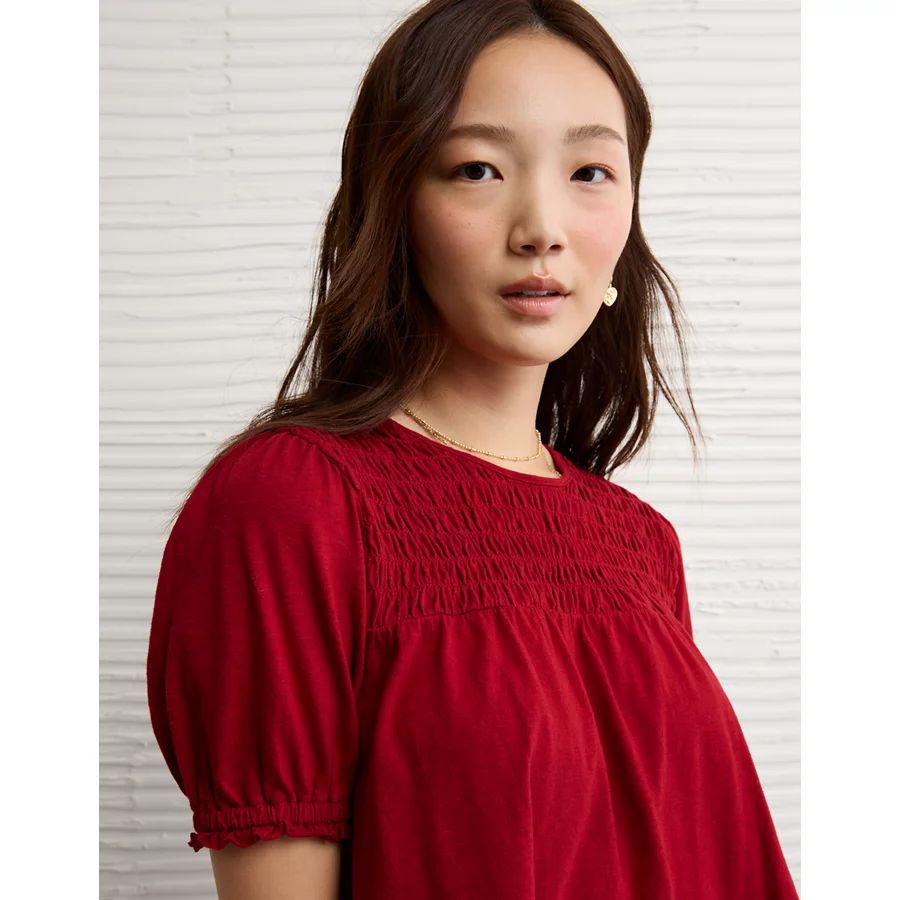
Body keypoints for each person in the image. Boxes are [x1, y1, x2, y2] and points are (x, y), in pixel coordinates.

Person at [146, 1, 800, 898]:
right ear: (395, 206)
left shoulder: (642, 544)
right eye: (477, 169)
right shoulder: (289, 503)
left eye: (591, 171)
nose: (542, 227)